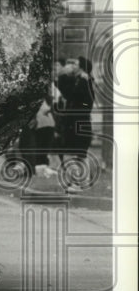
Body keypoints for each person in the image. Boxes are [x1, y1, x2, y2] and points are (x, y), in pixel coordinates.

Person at [55, 57, 95, 193]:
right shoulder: (78, 81)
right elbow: (67, 91)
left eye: (75, 64)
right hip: (76, 122)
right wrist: (62, 75)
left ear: (82, 68)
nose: (72, 66)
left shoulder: (85, 82)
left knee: (72, 155)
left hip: (78, 123)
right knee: (80, 155)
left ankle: (77, 183)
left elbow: (86, 102)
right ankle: (84, 183)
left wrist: (84, 80)